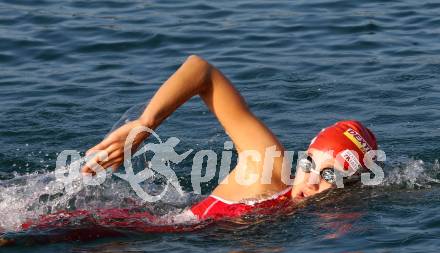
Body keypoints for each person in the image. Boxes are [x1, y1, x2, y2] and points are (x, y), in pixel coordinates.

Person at [81, 55, 378, 221]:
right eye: (310, 164)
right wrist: (145, 125)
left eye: (329, 175)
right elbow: (202, 71)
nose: (311, 181)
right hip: (108, 231)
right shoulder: (268, 172)